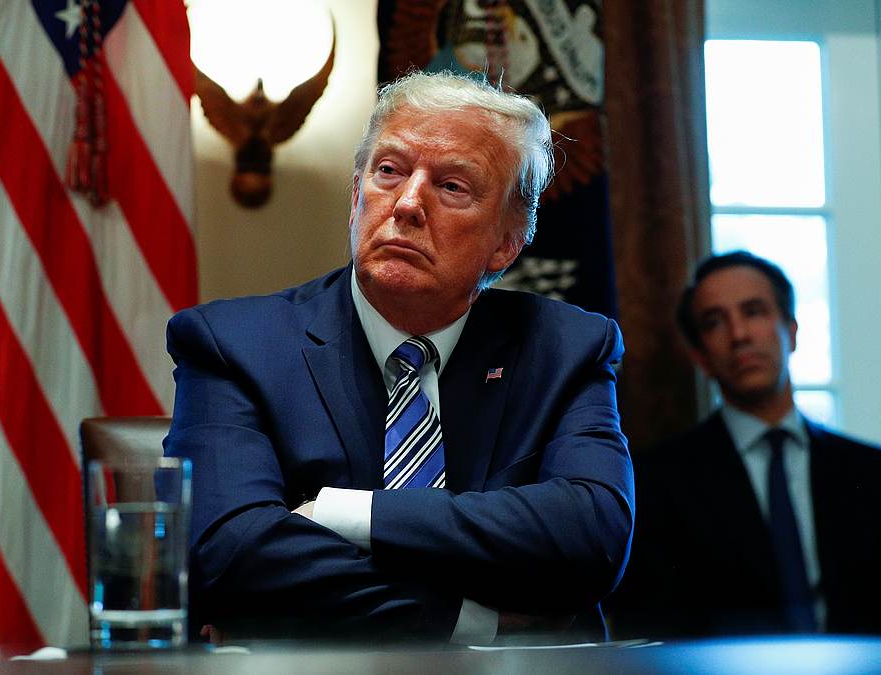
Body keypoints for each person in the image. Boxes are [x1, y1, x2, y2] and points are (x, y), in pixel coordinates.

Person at [163, 70, 633, 644]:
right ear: (356, 194)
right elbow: (230, 551)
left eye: (453, 186)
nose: (407, 203)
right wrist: (471, 620)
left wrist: (341, 514)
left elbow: (591, 537)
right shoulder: (232, 343)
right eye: (389, 171)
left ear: (507, 241)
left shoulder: (566, 348)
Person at [610, 250, 881, 638]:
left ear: (791, 331)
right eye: (715, 322)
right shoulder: (657, 480)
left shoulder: (873, 471)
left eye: (753, 311)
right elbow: (654, 629)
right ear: (700, 356)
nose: (739, 335)